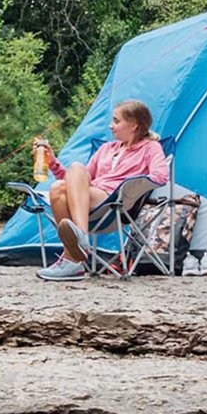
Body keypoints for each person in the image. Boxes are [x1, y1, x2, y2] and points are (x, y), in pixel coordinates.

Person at [34, 99, 169, 281]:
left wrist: (130, 185)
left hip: (116, 204)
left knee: (75, 168)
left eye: (116, 121)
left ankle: (75, 251)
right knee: (58, 186)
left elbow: (160, 176)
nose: (111, 126)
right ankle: (76, 251)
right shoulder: (106, 149)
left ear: (133, 125)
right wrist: (52, 162)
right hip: (88, 202)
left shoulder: (151, 148)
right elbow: (77, 181)